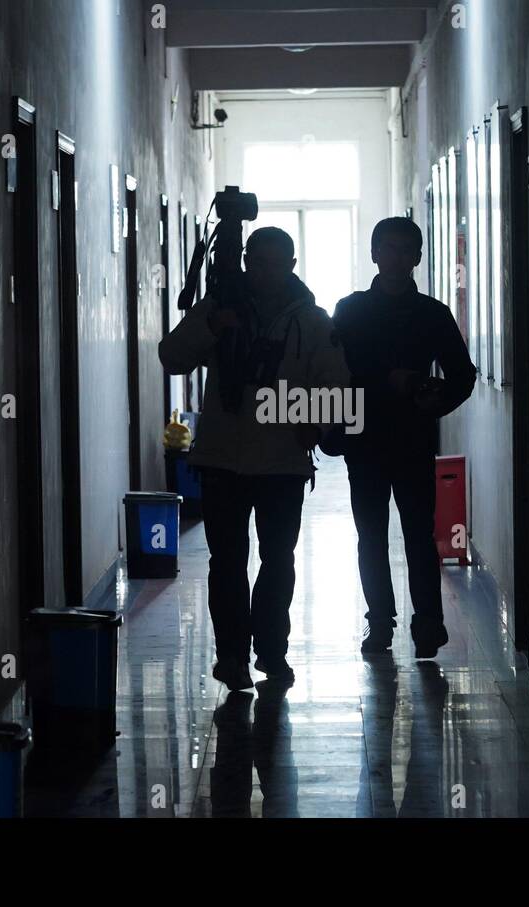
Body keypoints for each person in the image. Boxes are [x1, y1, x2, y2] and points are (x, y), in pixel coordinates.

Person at [159, 227, 350, 691]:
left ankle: (271, 652)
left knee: (277, 561)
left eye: (273, 261)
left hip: (282, 462)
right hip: (222, 457)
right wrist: (213, 325)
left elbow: (336, 388)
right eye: (254, 261)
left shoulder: (312, 320)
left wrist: (309, 423)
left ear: (291, 264)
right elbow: (172, 356)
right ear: (245, 261)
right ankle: (231, 658)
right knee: (226, 563)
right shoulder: (222, 307)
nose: (262, 271)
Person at [330, 217, 475, 658]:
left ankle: (428, 622)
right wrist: (383, 383)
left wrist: (437, 402)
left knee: (418, 533)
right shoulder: (349, 310)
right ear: (374, 254)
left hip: (412, 437)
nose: (394, 258)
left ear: (416, 257)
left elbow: (463, 375)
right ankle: (380, 623)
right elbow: (334, 373)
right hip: (365, 439)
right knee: (370, 534)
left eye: (403, 250)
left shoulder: (433, 314)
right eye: (386, 249)